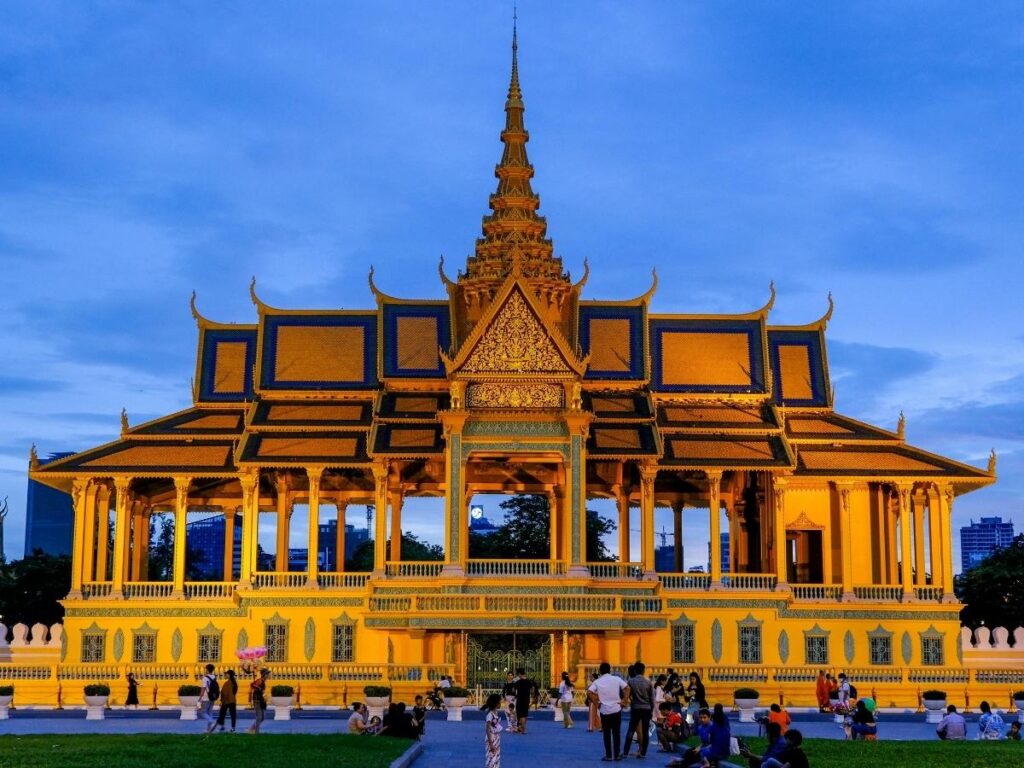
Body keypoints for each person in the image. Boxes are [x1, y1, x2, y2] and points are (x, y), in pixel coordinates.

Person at [588, 661, 628, 762]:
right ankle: (617, 755)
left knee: (606, 734)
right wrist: (625, 700)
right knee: (616, 733)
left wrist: (597, 704)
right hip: (616, 708)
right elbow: (627, 688)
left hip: (604, 710)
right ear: (609, 670)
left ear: (600, 671)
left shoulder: (597, 682)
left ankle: (609, 755)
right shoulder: (616, 679)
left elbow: (589, 692)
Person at [623, 661, 654, 758]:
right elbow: (652, 698)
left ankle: (625, 752)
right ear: (644, 670)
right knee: (645, 732)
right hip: (646, 708)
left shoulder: (631, 682)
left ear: (635, 670)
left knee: (631, 730)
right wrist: (651, 710)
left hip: (636, 708)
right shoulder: (648, 682)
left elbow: (628, 695)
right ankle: (643, 753)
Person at [512, 667, 537, 734]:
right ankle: (521, 728)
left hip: (520, 699)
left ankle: (523, 729)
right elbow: (532, 690)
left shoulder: (518, 682)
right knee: (525, 714)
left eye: (518, 674)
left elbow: (513, 690)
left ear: (520, 674)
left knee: (520, 715)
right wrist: (532, 696)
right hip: (526, 699)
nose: (518, 676)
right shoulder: (529, 682)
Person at [482, 692, 503, 768]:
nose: (501, 703)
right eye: (499, 702)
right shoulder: (490, 714)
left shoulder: (496, 712)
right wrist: (490, 743)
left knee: (496, 756)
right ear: (496, 703)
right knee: (491, 757)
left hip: (496, 737)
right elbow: (487, 729)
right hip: (491, 738)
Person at [247, 667, 269, 734]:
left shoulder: (263, 681)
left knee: (262, 718)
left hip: (261, 700)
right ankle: (256, 732)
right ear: (264, 675)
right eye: (267, 674)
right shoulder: (259, 680)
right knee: (259, 717)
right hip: (257, 700)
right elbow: (252, 685)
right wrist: (260, 689)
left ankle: (251, 729)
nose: (268, 675)